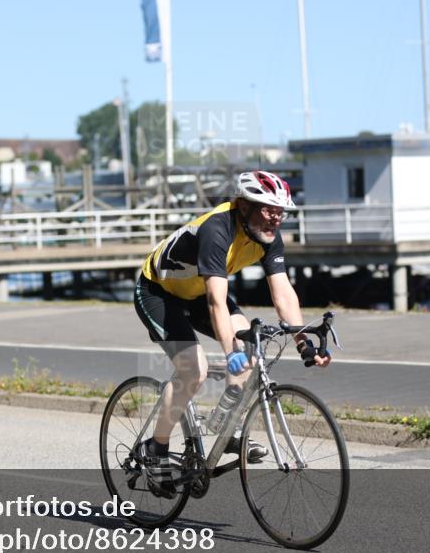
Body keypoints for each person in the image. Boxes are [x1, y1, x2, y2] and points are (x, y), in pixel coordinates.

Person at [133, 170, 331, 496]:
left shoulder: (268, 235)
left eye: (280, 212)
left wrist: (304, 343)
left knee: (252, 345)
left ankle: (226, 426)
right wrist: (230, 352)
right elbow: (215, 301)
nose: (275, 218)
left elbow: (282, 294)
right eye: (268, 209)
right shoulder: (217, 229)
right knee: (192, 370)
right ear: (243, 205)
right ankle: (156, 449)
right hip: (159, 291)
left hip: (197, 293)